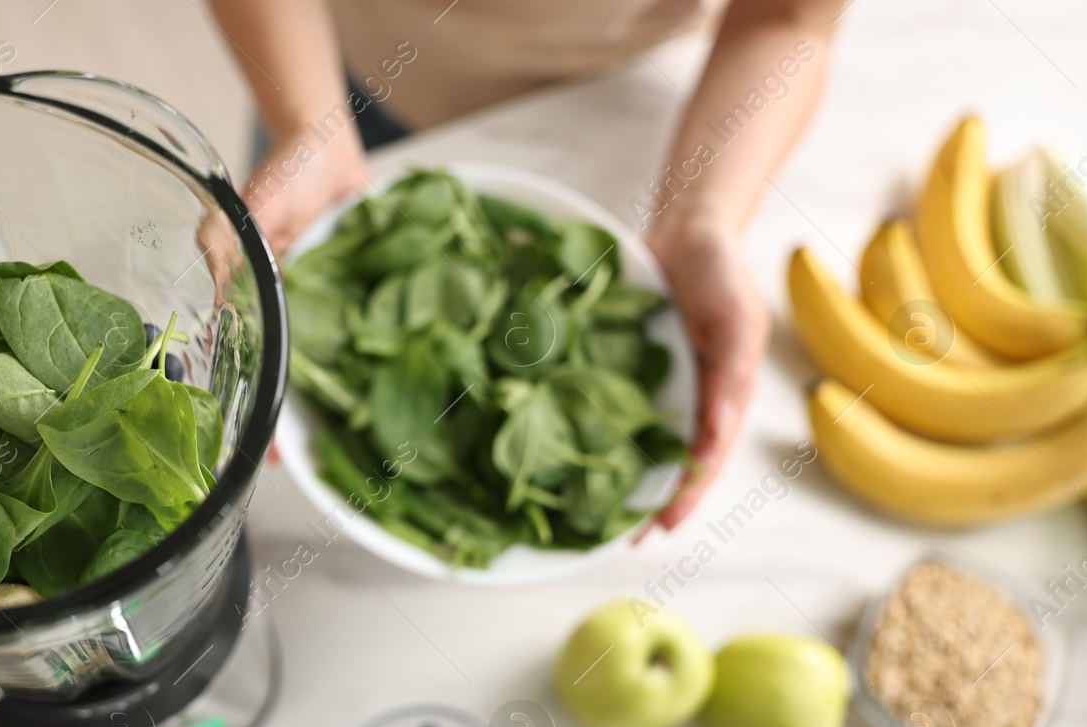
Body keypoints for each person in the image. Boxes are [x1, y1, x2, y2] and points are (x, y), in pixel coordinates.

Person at [207, 0, 842, 529]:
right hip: (336, 73)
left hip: (636, 104)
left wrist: (704, 216)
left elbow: (789, 18)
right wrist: (305, 127)